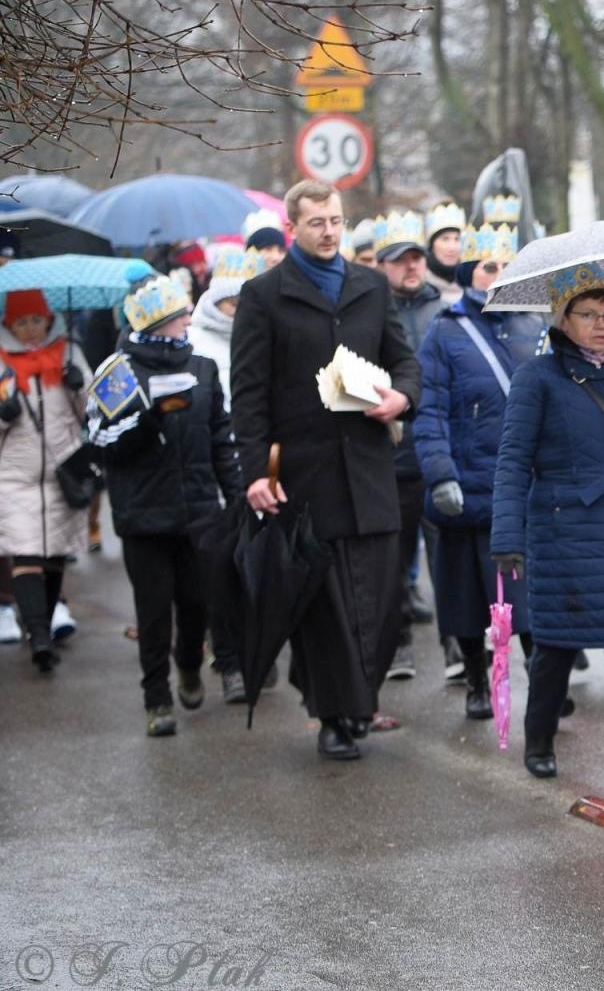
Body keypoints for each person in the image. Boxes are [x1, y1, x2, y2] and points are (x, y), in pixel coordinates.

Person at [230, 178, 421, 761]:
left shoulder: (369, 286)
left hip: (368, 468)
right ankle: (333, 715)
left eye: (336, 221)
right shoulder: (264, 296)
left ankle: (358, 697)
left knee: (384, 599)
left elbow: (403, 360)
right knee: (326, 607)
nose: (330, 232)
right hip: (307, 476)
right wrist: (257, 472)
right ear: (293, 227)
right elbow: (249, 394)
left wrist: (402, 398)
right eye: (317, 223)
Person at [490, 265, 604, 795]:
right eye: (588, 315)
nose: (601, 325)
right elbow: (512, 461)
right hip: (563, 529)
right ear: (562, 318)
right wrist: (507, 537)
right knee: (555, 644)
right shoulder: (538, 377)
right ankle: (539, 739)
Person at [87, 275, 242, 735]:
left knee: (196, 604)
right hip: (143, 516)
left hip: (198, 512)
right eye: (179, 316)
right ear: (158, 323)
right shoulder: (117, 370)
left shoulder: (203, 368)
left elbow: (221, 440)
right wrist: (148, 419)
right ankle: (156, 699)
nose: (187, 321)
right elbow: (99, 444)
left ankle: (190, 665)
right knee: (154, 611)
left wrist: (235, 496)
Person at [415, 220, 544, 720]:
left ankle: (542, 674)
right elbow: (430, 410)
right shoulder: (445, 332)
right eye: (491, 267)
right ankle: (475, 679)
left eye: (509, 266)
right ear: (471, 272)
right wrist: (441, 472)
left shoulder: (534, 327)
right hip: (468, 481)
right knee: (466, 595)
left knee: (528, 594)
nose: (500, 274)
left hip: (524, 486)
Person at [0, 288, 90, 673]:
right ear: (9, 325)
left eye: (36, 320)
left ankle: (45, 620)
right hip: (13, 475)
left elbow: (94, 411)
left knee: (54, 555)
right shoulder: (1, 363)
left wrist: (78, 387)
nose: (31, 330)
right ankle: (38, 635)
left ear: (49, 319)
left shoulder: (70, 353)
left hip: (62, 472)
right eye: (22, 323)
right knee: (26, 554)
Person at [374, 209, 446, 683]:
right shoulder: (367, 312)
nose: (412, 266)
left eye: (417, 258)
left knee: (448, 558)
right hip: (391, 455)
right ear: (382, 264)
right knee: (393, 562)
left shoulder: (444, 311)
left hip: (439, 454)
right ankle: (397, 643)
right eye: (401, 260)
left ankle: (458, 647)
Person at [189, 247, 267, 405]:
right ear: (217, 302)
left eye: (250, 304)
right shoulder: (193, 340)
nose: (242, 312)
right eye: (234, 304)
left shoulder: (266, 335)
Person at [424, 201, 466, 289]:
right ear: (432, 245)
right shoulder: (418, 284)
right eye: (445, 239)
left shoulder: (474, 283)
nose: (452, 247)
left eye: (457, 239)